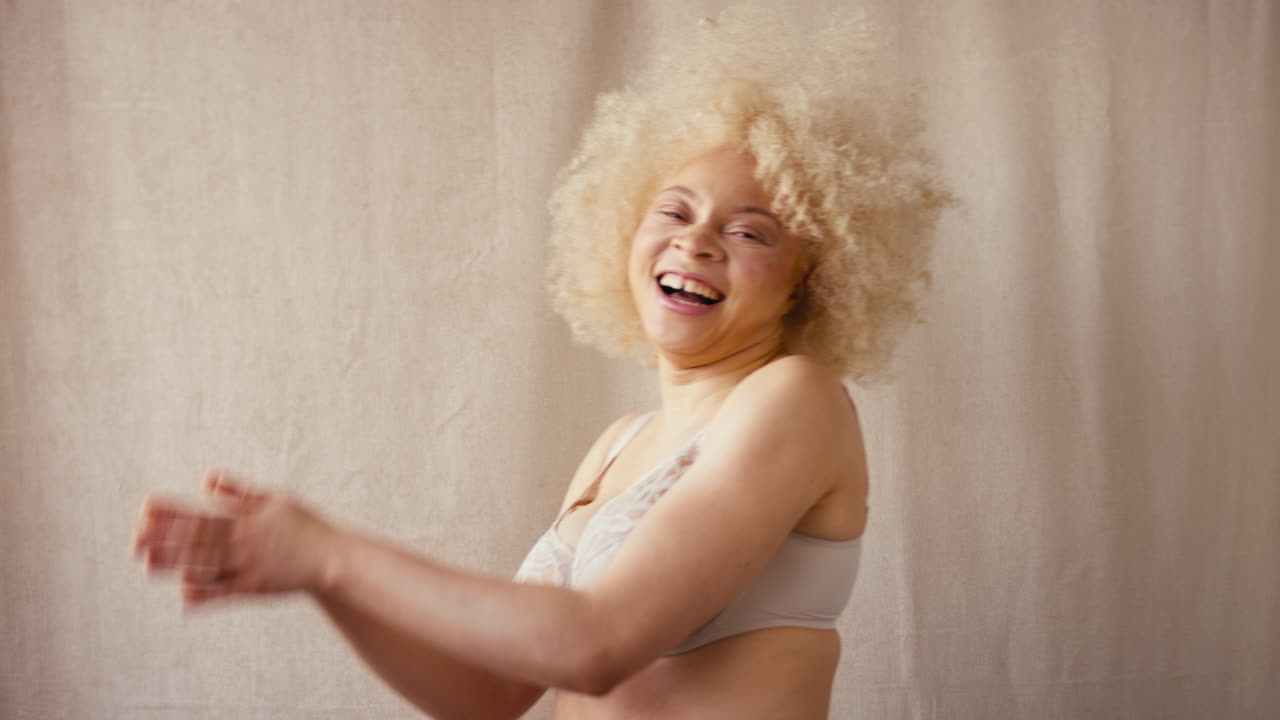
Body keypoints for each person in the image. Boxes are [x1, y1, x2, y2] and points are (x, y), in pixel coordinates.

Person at [131, 8, 950, 719]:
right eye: (673, 211)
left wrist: (328, 551)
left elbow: (595, 645)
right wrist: (325, 584)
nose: (697, 240)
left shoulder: (796, 399)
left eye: (749, 231)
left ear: (811, 279)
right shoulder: (618, 444)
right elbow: (488, 696)